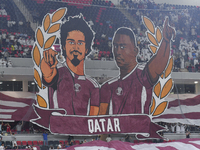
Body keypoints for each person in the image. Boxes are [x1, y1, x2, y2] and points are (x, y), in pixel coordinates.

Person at [99, 18, 175, 115]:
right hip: (116, 130)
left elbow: (159, 63)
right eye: (115, 46)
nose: (117, 52)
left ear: (135, 51)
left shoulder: (143, 75)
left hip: (140, 130)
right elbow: (100, 119)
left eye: (123, 47)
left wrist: (166, 41)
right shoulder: (107, 87)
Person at [40, 15, 99, 116]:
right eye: (71, 42)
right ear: (63, 46)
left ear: (87, 49)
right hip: (60, 130)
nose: (75, 47)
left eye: (80, 43)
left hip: (82, 131)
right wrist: (47, 71)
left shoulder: (93, 86)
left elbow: (93, 121)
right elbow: (49, 77)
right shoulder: (57, 72)